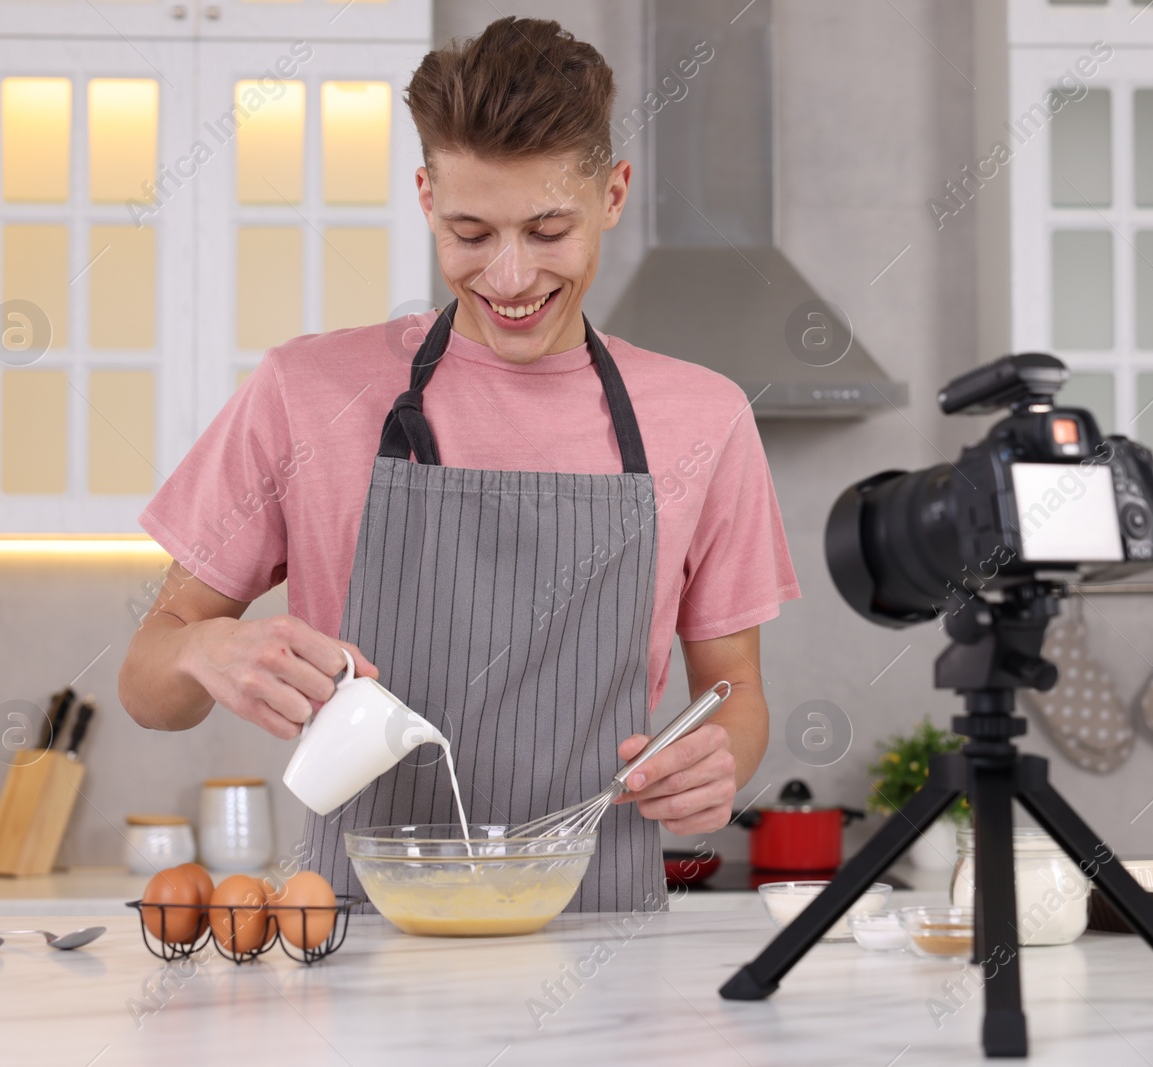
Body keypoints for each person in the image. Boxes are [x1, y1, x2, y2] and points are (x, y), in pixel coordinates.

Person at [118, 16, 799, 912]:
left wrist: (722, 760)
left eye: (549, 229)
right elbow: (147, 686)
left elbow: (734, 691)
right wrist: (203, 647)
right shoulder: (304, 390)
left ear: (614, 194)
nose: (511, 278)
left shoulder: (703, 418)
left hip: (600, 948)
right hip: (354, 936)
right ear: (426, 197)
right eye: (472, 233)